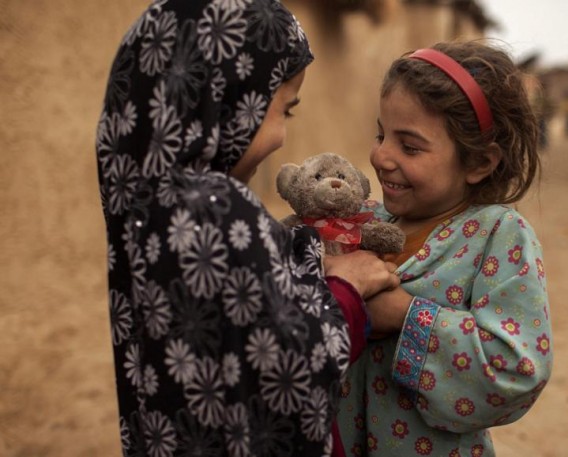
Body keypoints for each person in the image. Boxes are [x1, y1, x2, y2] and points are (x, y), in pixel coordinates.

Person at [95, 1, 400, 456]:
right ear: (229, 100)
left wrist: (311, 256)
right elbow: (293, 364)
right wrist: (345, 288)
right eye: (284, 111)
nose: (281, 137)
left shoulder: (143, 196)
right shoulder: (217, 208)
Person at [338, 41, 552, 456]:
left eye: (410, 146)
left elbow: (517, 370)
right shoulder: (365, 225)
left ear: (479, 163)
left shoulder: (499, 236)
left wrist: (405, 316)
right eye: (381, 134)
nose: (381, 156)